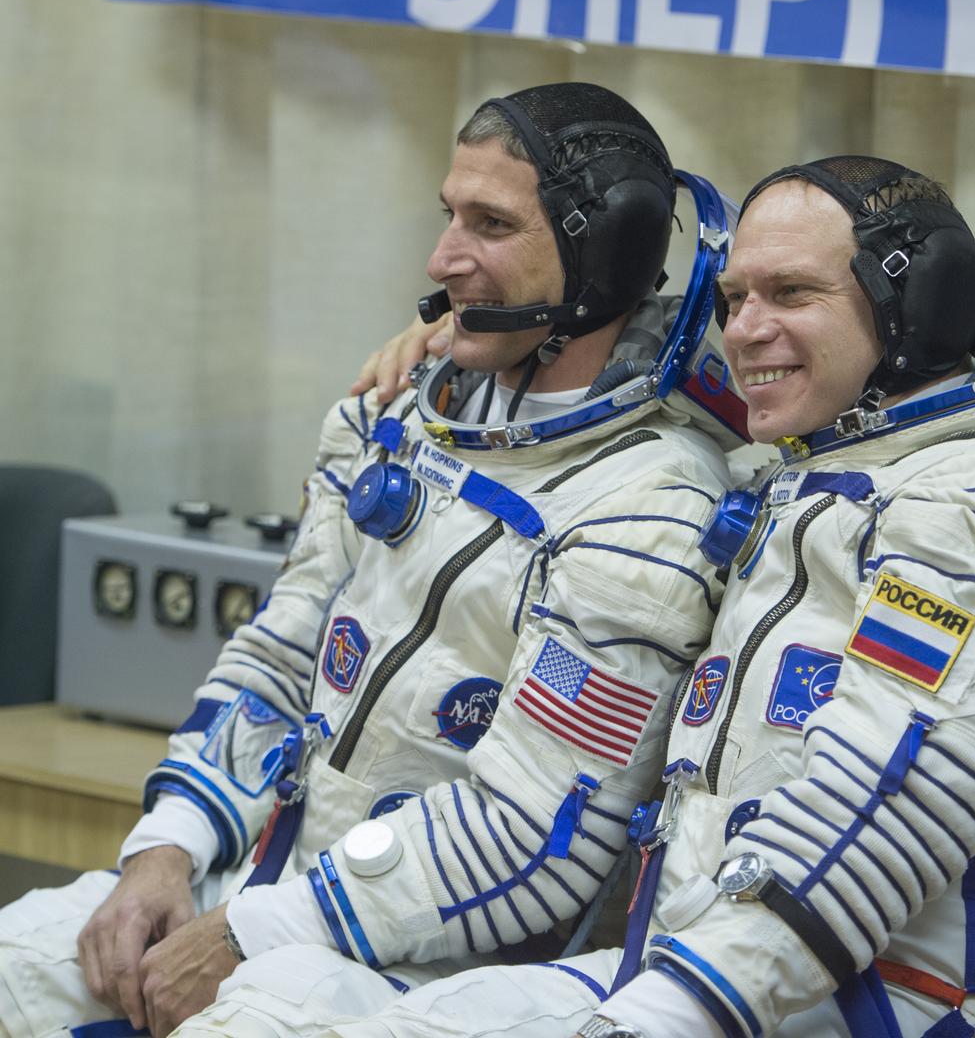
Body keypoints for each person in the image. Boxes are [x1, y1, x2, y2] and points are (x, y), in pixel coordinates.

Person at [313, 155, 975, 1038]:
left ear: (915, 308)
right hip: (723, 975)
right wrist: (457, 357)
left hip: (920, 1002)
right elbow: (604, 418)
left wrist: (660, 1016)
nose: (745, 331)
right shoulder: (814, 482)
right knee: (294, 1011)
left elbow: (870, 819)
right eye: (732, 301)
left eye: (792, 293)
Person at [0, 83, 745, 1037]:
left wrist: (256, 933)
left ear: (599, 251)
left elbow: (533, 835)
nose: (443, 258)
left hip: (436, 959)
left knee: (255, 1024)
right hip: (269, 885)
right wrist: (168, 850)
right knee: (23, 958)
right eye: (449, 216)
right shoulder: (396, 414)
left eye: (490, 224)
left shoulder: (653, 509)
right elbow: (275, 658)